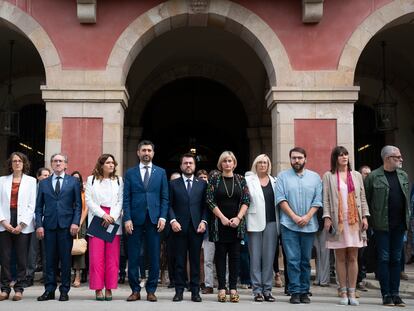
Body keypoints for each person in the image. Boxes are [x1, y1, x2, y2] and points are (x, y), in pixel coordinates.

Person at [322, 146, 369, 305]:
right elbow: (326, 199)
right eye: (340, 155)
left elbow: (362, 198)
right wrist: (327, 217)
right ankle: (342, 291)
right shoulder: (329, 176)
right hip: (338, 221)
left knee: (353, 256)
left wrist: (365, 217)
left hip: (354, 221)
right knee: (340, 257)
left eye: (346, 154)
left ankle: (352, 291)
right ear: (335, 158)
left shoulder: (356, 175)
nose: (344, 157)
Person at [364, 145, 410, 307]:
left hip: (399, 225)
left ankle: (396, 294)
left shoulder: (403, 176)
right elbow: (366, 201)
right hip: (381, 225)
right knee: (384, 259)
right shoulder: (374, 177)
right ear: (388, 158)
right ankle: (386, 294)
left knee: (396, 259)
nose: (401, 159)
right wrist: (369, 224)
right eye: (398, 157)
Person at [123, 140, 169, 302]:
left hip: (155, 220)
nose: (146, 153)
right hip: (134, 220)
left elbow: (165, 197)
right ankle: (135, 290)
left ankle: (151, 290)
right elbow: (126, 198)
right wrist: (127, 218)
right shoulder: (130, 173)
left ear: (153, 153)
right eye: (144, 150)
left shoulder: (161, 172)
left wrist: (163, 216)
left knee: (154, 256)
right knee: (134, 256)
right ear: (138, 153)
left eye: (149, 150)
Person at [276, 147, 322, 304]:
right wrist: (295, 217)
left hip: (309, 225)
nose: (297, 160)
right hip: (289, 225)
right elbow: (281, 199)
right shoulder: (282, 177)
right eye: (294, 158)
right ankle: (294, 291)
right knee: (292, 260)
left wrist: (307, 216)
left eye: (300, 158)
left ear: (305, 159)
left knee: (305, 260)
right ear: (290, 160)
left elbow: (318, 200)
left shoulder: (315, 178)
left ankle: (304, 291)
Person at [35, 153, 82, 302]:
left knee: (66, 259)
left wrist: (75, 222)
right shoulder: (44, 183)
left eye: (60, 161)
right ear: (51, 164)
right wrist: (39, 225)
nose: (57, 163)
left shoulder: (73, 182)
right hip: (48, 226)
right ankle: (49, 290)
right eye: (55, 161)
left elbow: (78, 206)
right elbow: (38, 208)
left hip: (66, 226)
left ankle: (64, 291)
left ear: (66, 164)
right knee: (49, 260)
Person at [206, 151, 250, 303]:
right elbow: (210, 200)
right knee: (220, 257)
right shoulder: (214, 179)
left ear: (234, 163)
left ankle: (233, 288)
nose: (227, 163)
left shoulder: (241, 179)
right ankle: (222, 289)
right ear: (220, 163)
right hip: (219, 225)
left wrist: (238, 218)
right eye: (224, 161)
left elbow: (246, 200)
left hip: (236, 225)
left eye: (230, 160)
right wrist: (222, 218)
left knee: (235, 257)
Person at [169, 153, 207, 302]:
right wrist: (172, 220)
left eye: (191, 163)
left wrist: (204, 221)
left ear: (195, 165)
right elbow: (168, 204)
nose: (188, 165)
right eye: (185, 163)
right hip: (178, 227)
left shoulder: (202, 184)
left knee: (195, 261)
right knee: (179, 260)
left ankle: (195, 292)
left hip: (197, 227)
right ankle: (179, 291)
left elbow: (205, 206)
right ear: (181, 166)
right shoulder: (173, 184)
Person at [86, 154, 123, 301]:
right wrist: (103, 215)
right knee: (96, 258)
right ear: (101, 164)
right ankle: (97, 288)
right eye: (108, 163)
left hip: (113, 219)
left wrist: (112, 216)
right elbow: (88, 200)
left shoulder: (119, 181)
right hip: (97, 218)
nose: (111, 165)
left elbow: (121, 200)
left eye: (113, 163)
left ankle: (109, 288)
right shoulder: (91, 179)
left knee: (112, 258)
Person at [0, 152, 37, 301]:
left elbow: (31, 205)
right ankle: (4, 288)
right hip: (5, 220)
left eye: (19, 161)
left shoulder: (31, 181)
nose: (17, 163)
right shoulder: (2, 180)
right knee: (5, 257)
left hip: (23, 221)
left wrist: (22, 225)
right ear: (11, 164)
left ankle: (19, 288)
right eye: (14, 161)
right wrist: (4, 222)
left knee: (22, 257)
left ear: (24, 163)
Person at [245, 154, 279, 302]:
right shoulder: (248, 180)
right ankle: (257, 290)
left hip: (272, 222)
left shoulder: (275, 181)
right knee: (255, 258)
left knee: (269, 258)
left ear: (269, 165)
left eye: (265, 162)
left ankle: (267, 290)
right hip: (254, 223)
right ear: (255, 164)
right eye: (260, 162)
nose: (263, 165)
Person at [26, 167, 51, 287]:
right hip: (33, 224)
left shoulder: (50, 189)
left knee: (47, 252)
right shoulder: (31, 189)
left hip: (46, 224)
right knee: (32, 252)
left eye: (48, 175)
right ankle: (29, 277)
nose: (47, 177)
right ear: (38, 176)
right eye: (44, 175)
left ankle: (46, 277)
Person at [197, 169, 215, 295]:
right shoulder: (204, 192)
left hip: (223, 229)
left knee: (224, 260)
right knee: (208, 260)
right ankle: (208, 284)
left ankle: (225, 285)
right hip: (208, 231)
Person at [71, 171, 88, 288]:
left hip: (81, 222)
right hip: (67, 221)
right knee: (66, 247)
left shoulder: (84, 193)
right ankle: (68, 274)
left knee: (79, 250)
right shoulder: (67, 190)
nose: (76, 180)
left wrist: (79, 223)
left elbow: (86, 208)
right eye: (74, 178)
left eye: (78, 179)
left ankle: (78, 275)